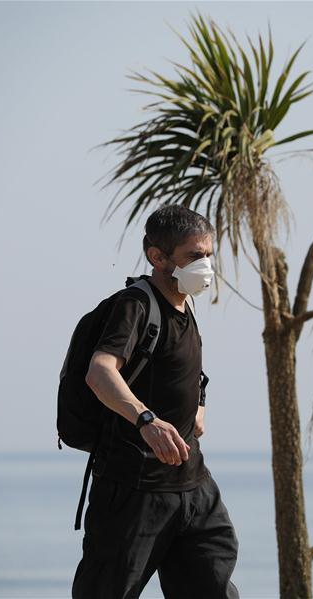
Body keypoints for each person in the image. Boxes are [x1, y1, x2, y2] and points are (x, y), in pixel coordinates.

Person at [72, 205, 241, 599]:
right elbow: (100, 372)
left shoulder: (187, 304)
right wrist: (147, 419)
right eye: (194, 256)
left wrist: (197, 405)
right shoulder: (134, 305)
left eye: (209, 255)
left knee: (214, 589)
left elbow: (183, 368)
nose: (206, 265)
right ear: (157, 257)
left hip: (194, 488)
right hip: (133, 489)